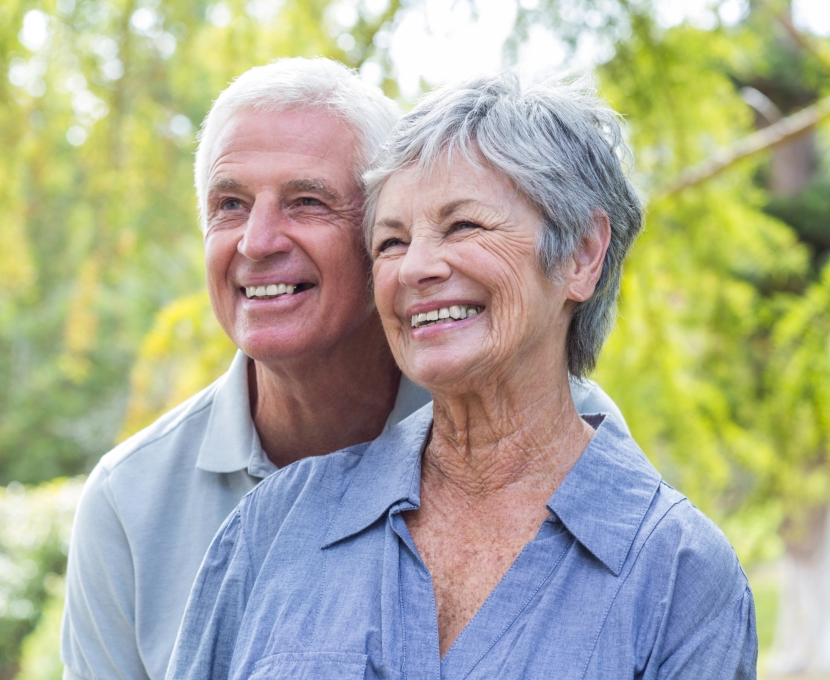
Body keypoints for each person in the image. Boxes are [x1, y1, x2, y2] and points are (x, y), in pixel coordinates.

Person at [167, 73, 756, 680]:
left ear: (581, 254)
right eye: (391, 241)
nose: (417, 267)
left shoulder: (680, 573)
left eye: (463, 227)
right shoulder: (274, 526)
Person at [61, 60, 627, 680]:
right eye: (230, 204)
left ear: (383, 236)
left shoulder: (566, 433)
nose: (257, 241)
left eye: (307, 202)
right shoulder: (130, 500)